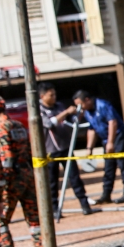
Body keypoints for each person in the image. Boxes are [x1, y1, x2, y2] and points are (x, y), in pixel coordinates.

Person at [0, 96, 45, 247]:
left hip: (12, 180)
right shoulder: (18, 126)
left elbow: (7, 159)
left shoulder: (1, 128)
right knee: (35, 221)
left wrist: (3, 184)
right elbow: (29, 151)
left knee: (0, 222)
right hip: (27, 175)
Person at [38, 82, 97, 216]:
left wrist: (78, 114)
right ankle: (54, 209)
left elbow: (72, 120)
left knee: (75, 178)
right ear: (42, 96)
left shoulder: (59, 106)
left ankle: (84, 205)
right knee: (52, 182)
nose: (54, 97)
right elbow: (48, 124)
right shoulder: (39, 110)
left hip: (66, 148)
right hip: (50, 151)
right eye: (50, 95)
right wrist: (66, 112)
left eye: (54, 94)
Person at [73, 90, 124, 204]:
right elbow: (91, 129)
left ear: (87, 100)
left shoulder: (103, 105)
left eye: (81, 104)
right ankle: (106, 195)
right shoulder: (86, 112)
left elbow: (112, 122)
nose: (80, 108)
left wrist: (111, 142)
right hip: (105, 138)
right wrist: (89, 148)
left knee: (123, 164)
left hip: (119, 136)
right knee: (109, 167)